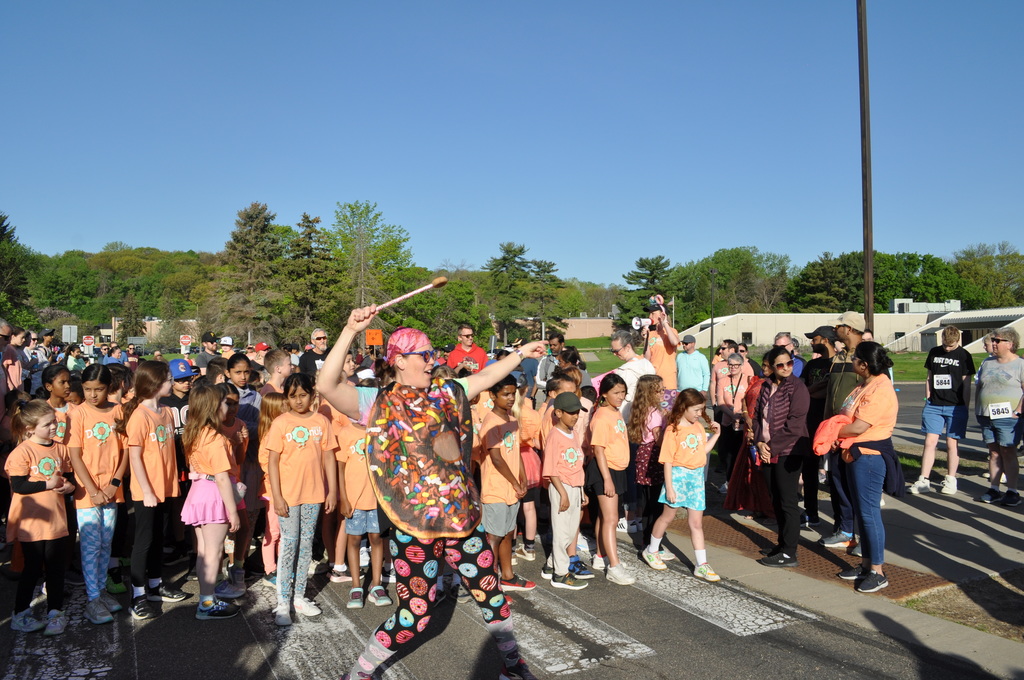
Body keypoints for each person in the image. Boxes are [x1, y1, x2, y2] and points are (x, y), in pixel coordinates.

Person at [316, 308, 548, 680]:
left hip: (461, 520)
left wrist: (521, 354)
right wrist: (348, 330)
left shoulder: (448, 392)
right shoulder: (376, 401)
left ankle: (512, 667)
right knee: (414, 616)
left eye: (431, 354)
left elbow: (487, 375)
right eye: (424, 354)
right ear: (400, 360)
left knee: (493, 598)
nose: (432, 361)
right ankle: (359, 673)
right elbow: (326, 386)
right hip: (414, 528)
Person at [265, 372, 339, 626]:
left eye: (303, 395)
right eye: (293, 396)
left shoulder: (321, 421)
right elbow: (272, 461)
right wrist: (277, 496)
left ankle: (298, 596)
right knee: (289, 545)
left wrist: (333, 490)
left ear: (312, 395)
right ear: (286, 398)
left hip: (314, 494)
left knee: (306, 544)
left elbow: (329, 456)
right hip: (287, 496)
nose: (298, 401)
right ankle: (283, 602)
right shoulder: (281, 423)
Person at [833, 341, 899, 593]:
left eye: (854, 359)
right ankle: (866, 564)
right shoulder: (865, 384)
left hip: (869, 457)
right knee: (862, 512)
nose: (851, 363)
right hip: (854, 454)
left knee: (870, 514)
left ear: (864, 363)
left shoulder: (880, 388)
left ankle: (878, 571)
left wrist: (831, 432)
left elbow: (860, 426)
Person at [6, 400, 76, 635]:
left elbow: (67, 477)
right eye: (47, 424)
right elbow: (19, 486)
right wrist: (48, 483)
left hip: (56, 520)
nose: (54, 427)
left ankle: (55, 611)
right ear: (30, 429)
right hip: (31, 523)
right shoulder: (22, 452)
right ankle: (21, 613)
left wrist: (68, 487)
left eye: (54, 421)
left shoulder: (59, 448)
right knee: (32, 568)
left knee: (56, 568)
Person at [121, 361, 185, 620]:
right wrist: (146, 491)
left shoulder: (167, 412)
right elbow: (134, 458)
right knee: (144, 541)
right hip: (147, 491)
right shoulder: (139, 416)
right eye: (169, 379)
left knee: (159, 537)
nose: (172, 383)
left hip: (166, 487)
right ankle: (137, 595)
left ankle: (155, 585)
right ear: (156, 384)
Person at [67, 364, 128, 625]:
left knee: (106, 543)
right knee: (91, 546)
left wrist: (114, 483)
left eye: (99, 389)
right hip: (87, 493)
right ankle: (92, 600)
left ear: (108, 388)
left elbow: (125, 451)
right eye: (88, 389)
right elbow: (74, 455)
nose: (93, 395)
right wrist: (92, 490)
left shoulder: (118, 411)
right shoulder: (77, 414)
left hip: (112, 490)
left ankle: (101, 592)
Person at [641, 388, 722, 580]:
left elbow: (703, 451)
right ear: (684, 407)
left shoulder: (699, 427)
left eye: (701, 409)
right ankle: (651, 550)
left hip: (695, 478)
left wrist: (717, 436)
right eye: (696, 410)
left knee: (696, 523)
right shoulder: (672, 429)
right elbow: (667, 460)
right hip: (677, 476)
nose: (699, 414)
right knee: (667, 517)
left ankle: (701, 564)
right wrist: (669, 487)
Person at [177, 383, 242, 619]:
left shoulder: (195, 433)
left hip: (198, 492)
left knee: (205, 551)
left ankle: (207, 598)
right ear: (214, 408)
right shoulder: (215, 438)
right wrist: (233, 512)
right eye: (224, 402)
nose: (228, 406)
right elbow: (223, 477)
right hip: (214, 495)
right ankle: (206, 603)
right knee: (214, 553)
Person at [753, 346, 810, 569]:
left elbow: (795, 426)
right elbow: (758, 417)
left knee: (788, 502)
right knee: (774, 498)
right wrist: (759, 441)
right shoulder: (766, 386)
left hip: (790, 451)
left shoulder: (798, 388)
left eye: (789, 363)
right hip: (767, 449)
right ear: (772, 367)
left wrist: (770, 447)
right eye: (780, 365)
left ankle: (790, 552)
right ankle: (782, 544)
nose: (786, 368)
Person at [479, 375, 534, 592]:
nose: (511, 398)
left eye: (513, 393)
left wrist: (523, 479)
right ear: (493, 395)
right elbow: (497, 458)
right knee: (494, 537)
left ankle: (507, 576)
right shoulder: (491, 422)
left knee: (508, 534)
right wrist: (514, 482)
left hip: (512, 489)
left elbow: (515, 453)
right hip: (496, 490)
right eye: (505, 394)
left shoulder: (511, 420)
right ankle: (489, 586)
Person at [819, 312, 865, 550]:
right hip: (835, 433)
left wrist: (850, 432)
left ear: (849, 329)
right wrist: (829, 430)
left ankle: (863, 537)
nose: (835, 328)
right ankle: (845, 530)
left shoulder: (867, 356)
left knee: (858, 487)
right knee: (837, 483)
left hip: (856, 434)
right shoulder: (838, 358)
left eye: (839, 325)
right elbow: (830, 394)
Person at [911, 325, 975, 496]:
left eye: (951, 346)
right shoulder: (934, 352)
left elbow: (966, 383)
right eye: (945, 345)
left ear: (957, 342)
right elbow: (929, 378)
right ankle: (923, 479)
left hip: (956, 405)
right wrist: (928, 397)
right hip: (934, 405)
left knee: (951, 443)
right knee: (929, 442)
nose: (947, 348)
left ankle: (951, 478)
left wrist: (965, 406)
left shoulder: (964, 356)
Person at [336, 412, 391, 608]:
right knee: (354, 540)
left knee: (377, 539)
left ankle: (376, 586)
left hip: (376, 498)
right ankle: (356, 586)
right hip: (354, 499)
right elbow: (340, 468)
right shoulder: (345, 433)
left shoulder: (381, 432)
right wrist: (343, 498)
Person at [585, 373, 636, 585]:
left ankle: (600, 556)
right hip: (605, 471)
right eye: (616, 392)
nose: (620, 396)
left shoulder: (614, 412)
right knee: (612, 519)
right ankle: (614, 566)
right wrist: (607, 479)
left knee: (605, 517)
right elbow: (598, 449)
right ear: (604, 394)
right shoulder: (601, 417)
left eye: (623, 392)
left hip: (616, 469)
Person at [541, 391, 589, 590]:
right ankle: (560, 574)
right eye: (571, 413)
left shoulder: (574, 433)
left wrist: (581, 490)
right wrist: (562, 493)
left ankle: (551, 565)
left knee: (570, 532)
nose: (576, 416)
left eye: (577, 412)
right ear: (558, 413)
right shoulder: (554, 436)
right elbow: (551, 469)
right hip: (562, 486)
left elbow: (577, 463)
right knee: (561, 531)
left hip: (575, 486)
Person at [975, 327, 1024, 507]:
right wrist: (978, 409)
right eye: (993, 340)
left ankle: (1012, 491)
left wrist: (1018, 411)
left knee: (1007, 451)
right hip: (986, 415)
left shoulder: (1020, 364)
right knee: (994, 452)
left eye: (997, 340)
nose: (993, 343)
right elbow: (980, 386)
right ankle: (994, 488)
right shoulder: (987, 363)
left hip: (1008, 417)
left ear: (1010, 344)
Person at [801, 325, 839, 526]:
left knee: (835, 473)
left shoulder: (839, 363)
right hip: (810, 422)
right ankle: (811, 512)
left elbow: (832, 393)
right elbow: (801, 391)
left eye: (814, 339)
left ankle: (840, 519)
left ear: (825, 340)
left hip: (831, 424)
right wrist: (816, 388)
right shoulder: (810, 365)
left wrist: (812, 390)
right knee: (809, 470)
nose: (811, 342)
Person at [255, 393, 290, 590]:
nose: (288, 408)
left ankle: (282, 567)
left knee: (284, 532)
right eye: (284, 406)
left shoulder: (281, 431)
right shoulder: (269, 435)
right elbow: (266, 464)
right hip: (273, 491)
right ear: (275, 410)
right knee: (273, 532)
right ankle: (270, 570)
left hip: (287, 489)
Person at [627, 374, 666, 546]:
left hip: (643, 453)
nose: (663, 392)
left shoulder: (642, 409)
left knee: (646, 499)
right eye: (660, 390)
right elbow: (659, 439)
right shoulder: (655, 414)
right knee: (656, 502)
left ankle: (645, 537)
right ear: (651, 392)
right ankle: (653, 540)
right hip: (654, 455)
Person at [714, 353, 750, 493]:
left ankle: (743, 482)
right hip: (728, 422)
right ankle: (729, 481)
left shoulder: (747, 380)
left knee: (742, 453)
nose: (733, 367)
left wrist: (742, 415)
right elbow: (721, 402)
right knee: (729, 455)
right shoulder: (723, 380)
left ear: (741, 366)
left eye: (736, 365)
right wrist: (732, 415)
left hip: (743, 422)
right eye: (730, 365)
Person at [609, 329, 655, 422]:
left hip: (627, 416)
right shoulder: (647, 364)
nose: (614, 354)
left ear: (628, 347)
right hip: (647, 415)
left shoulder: (624, 371)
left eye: (617, 351)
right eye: (612, 351)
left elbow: (615, 395)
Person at [533, 332, 564, 402]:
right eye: (550, 345)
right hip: (549, 401)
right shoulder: (545, 360)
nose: (552, 347)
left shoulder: (569, 359)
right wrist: (561, 386)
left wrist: (549, 382)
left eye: (555, 345)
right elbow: (539, 383)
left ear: (562, 344)